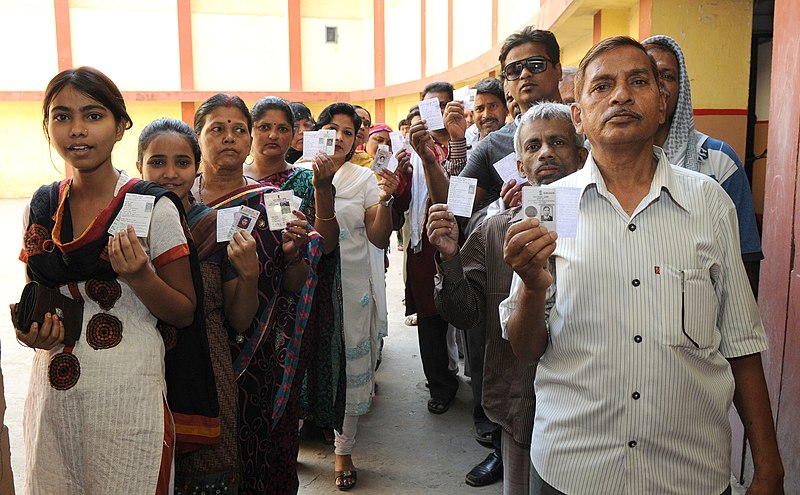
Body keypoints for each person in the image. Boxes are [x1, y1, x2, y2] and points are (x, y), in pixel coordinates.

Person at [501, 36, 784, 495]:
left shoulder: (708, 201)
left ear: (661, 104)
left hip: (690, 474)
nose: (620, 95)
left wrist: (769, 467)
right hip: (572, 472)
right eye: (602, 86)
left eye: (638, 81)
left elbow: (741, 344)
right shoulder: (552, 204)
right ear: (579, 117)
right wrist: (532, 287)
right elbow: (526, 349)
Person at [15, 67, 198, 494]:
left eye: (93, 115)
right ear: (48, 126)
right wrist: (33, 333)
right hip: (54, 400)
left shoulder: (154, 208)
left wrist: (139, 276)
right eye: (62, 117)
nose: (76, 129)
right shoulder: (41, 207)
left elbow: (184, 312)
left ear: (120, 126)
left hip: (127, 398)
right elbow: (34, 294)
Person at [430, 102, 585, 492]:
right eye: (533, 146)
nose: (545, 152)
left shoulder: (608, 228)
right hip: (520, 406)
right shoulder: (495, 230)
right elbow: (463, 313)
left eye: (558, 142)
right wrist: (449, 258)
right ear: (519, 166)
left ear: (582, 156)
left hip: (587, 414)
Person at [191, 93, 323, 494]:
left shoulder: (277, 202)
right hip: (191, 352)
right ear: (199, 137)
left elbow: (294, 281)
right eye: (217, 129)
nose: (229, 137)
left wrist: (293, 254)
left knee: (259, 457)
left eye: (238, 129)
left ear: (248, 141)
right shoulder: (178, 201)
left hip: (260, 355)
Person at [137, 117, 259, 494]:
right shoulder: (124, 223)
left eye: (182, 162)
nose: (170, 174)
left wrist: (249, 275)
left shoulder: (212, 227)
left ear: (196, 166)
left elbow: (238, 320)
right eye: (157, 162)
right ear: (139, 165)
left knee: (206, 474)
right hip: (138, 369)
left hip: (207, 368)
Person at [245, 96, 346, 443]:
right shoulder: (231, 181)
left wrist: (322, 189)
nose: (273, 135)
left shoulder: (303, 181)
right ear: (250, 131)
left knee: (283, 402)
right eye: (264, 127)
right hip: (239, 301)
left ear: (294, 135)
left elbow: (327, 244)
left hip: (291, 304)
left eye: (283, 128)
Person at [314, 103, 398, 490]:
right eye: (332, 129)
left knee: (348, 369)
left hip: (350, 287)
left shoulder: (363, 178)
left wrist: (387, 199)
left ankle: (343, 450)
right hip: (308, 288)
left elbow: (379, 237)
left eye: (348, 132)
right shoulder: (299, 175)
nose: (340, 138)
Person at [642, 35, 763, 287]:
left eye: (667, 75)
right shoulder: (602, 159)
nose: (658, 85)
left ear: (683, 87)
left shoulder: (719, 159)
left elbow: (744, 259)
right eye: (645, 76)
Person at [396, 81, 461, 416]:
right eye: (428, 108)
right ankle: (440, 384)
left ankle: (466, 375)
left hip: (461, 242)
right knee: (430, 317)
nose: (434, 115)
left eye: (442, 106)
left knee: (465, 315)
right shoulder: (412, 151)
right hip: (423, 242)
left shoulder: (465, 145)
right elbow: (404, 200)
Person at [453, 27, 564, 211]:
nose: (525, 74)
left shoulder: (586, 126)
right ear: (507, 83)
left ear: (558, 70)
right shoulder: (492, 145)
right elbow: (455, 208)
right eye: (514, 70)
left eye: (536, 64)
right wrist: (502, 211)